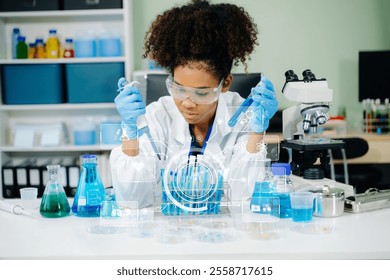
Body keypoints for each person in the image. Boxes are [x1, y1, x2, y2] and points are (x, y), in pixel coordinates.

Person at [110, 0, 278, 209]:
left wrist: (256, 132)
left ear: (224, 84)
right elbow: (132, 199)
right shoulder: (158, 115)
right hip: (168, 231)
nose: (187, 103)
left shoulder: (244, 116)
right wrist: (130, 130)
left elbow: (245, 198)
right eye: (179, 89)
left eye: (201, 93)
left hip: (225, 231)